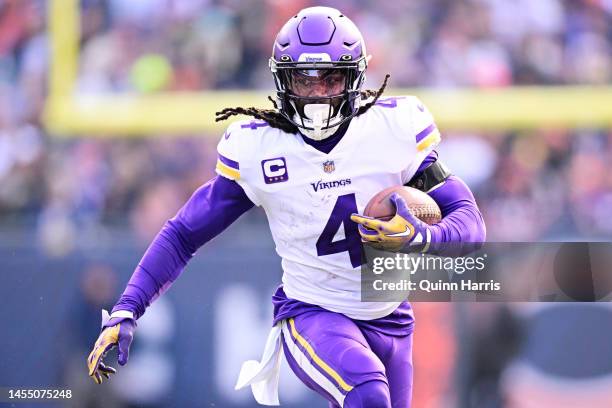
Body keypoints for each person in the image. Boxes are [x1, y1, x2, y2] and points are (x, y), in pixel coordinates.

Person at [87, 6, 485, 407]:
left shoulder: (392, 131)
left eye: (330, 79)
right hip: (313, 313)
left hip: (390, 317)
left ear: (355, 78)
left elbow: (471, 225)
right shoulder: (261, 149)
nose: (316, 95)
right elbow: (183, 234)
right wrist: (128, 307)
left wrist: (423, 236)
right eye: (303, 80)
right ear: (282, 80)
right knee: (368, 393)